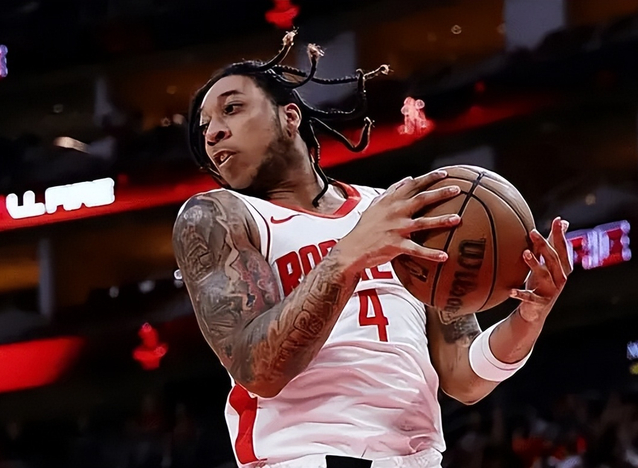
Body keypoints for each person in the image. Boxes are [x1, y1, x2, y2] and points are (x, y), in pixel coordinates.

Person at [172, 31, 573, 468]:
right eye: (205, 128)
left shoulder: (394, 210)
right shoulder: (218, 217)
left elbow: (463, 375)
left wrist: (528, 319)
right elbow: (258, 370)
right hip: (307, 457)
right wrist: (347, 256)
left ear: (289, 116)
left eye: (231, 108)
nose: (214, 133)